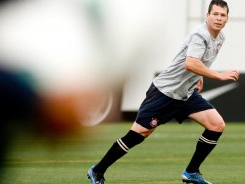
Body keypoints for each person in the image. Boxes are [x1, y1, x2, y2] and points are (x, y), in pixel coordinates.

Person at [87, 0, 239, 183]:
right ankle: (97, 170)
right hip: (164, 93)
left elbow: (197, 61)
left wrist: (199, 77)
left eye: (222, 15)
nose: (218, 18)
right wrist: (219, 76)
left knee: (216, 125)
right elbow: (190, 62)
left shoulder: (220, 38)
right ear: (207, 16)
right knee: (137, 135)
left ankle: (191, 172)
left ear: (227, 19)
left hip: (186, 95)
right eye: (215, 14)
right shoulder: (201, 35)